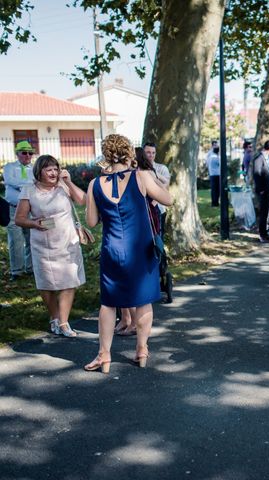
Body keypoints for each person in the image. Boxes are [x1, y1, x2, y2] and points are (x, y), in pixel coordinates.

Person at [83, 134, 172, 374]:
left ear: (105, 155)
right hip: (140, 248)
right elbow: (169, 199)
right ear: (129, 153)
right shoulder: (141, 177)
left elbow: (91, 221)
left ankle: (104, 355)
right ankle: (141, 349)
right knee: (143, 301)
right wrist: (154, 179)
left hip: (112, 248)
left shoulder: (94, 184)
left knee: (109, 303)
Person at [14, 155, 86, 337]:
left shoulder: (63, 186)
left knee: (69, 281)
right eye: (49, 170)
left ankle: (63, 323)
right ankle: (54, 318)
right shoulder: (28, 190)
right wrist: (34, 223)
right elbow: (19, 219)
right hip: (42, 245)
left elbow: (83, 200)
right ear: (40, 171)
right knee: (47, 284)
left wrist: (68, 182)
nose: (53, 173)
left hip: (68, 242)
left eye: (55, 169)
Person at [4, 141, 35, 280]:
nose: (28, 155)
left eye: (30, 153)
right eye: (24, 152)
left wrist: (23, 186)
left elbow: (37, 184)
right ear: (17, 153)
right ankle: (17, 271)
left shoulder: (35, 169)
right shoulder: (9, 167)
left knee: (31, 239)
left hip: (31, 209)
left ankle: (31, 268)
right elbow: (11, 181)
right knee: (15, 240)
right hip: (13, 209)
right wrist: (28, 186)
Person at [143, 142, 170, 237]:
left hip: (158, 209)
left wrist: (153, 202)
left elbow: (165, 188)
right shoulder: (137, 169)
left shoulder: (162, 168)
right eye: (148, 152)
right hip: (142, 210)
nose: (151, 155)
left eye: (153, 152)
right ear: (143, 153)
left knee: (158, 239)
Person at [254, 140, 269, 243]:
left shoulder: (268, 158)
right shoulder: (259, 158)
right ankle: (262, 234)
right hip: (263, 191)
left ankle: (268, 233)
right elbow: (257, 173)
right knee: (264, 213)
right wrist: (261, 189)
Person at [205, 141, 221, 207]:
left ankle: (215, 203)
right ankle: (215, 203)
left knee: (215, 189)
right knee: (216, 189)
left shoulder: (212, 155)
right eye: (214, 145)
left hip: (213, 173)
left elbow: (207, 163)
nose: (215, 146)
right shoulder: (214, 156)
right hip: (216, 174)